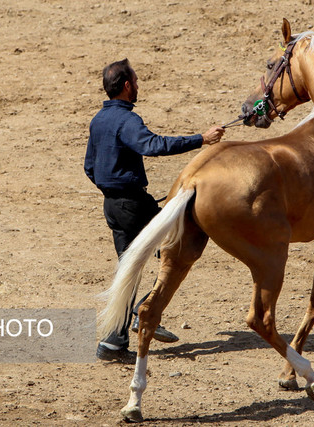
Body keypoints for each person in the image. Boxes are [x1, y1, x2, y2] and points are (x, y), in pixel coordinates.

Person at [85, 58, 225, 362]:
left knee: (128, 269)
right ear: (126, 87)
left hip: (112, 206)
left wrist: (113, 189)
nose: (138, 85)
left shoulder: (98, 119)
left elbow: (90, 168)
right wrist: (201, 139)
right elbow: (153, 145)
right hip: (133, 205)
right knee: (180, 241)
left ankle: (112, 342)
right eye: (136, 80)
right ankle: (144, 310)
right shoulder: (127, 121)